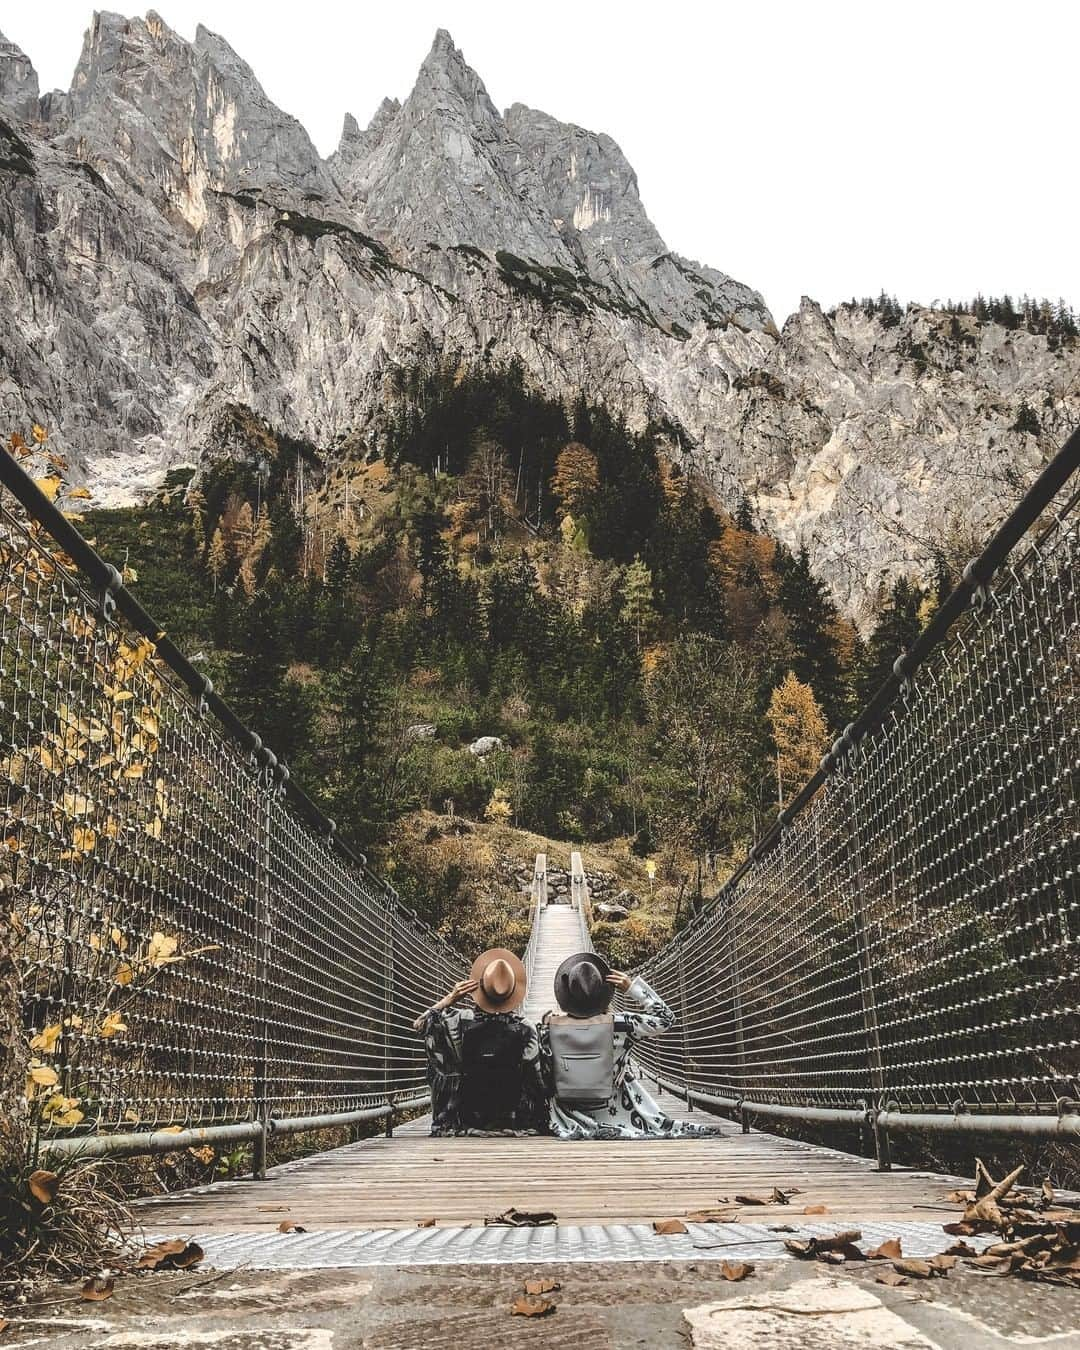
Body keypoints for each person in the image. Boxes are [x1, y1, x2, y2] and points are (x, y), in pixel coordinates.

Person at [538, 950, 722, 1140]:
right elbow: (666, 1019)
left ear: (566, 994)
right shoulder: (622, 1024)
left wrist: (546, 1020)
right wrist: (632, 987)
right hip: (615, 1108)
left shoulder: (549, 1028)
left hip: (567, 1112)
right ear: (603, 992)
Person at [412, 947, 547, 1136]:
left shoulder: (459, 1021)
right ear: (513, 992)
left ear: (480, 989)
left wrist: (450, 999)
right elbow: (537, 1079)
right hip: (511, 1117)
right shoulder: (525, 1027)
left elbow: (419, 1025)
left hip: (466, 1116)